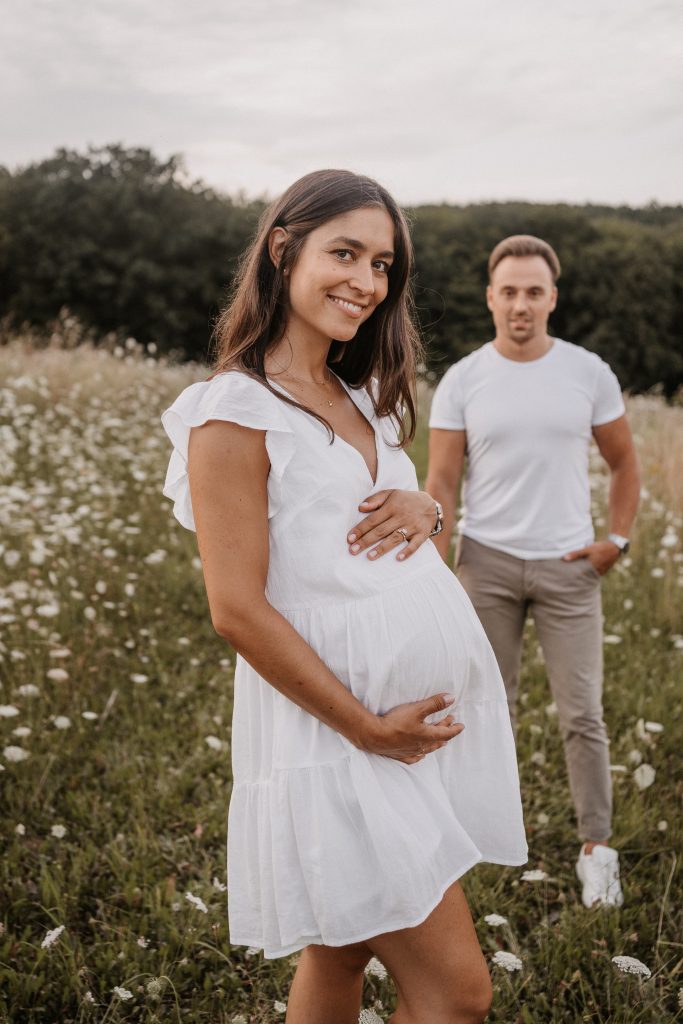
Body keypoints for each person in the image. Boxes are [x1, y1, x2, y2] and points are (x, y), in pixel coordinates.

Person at [161, 170, 527, 1024]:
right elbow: (237, 609)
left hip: (392, 735)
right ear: (283, 248)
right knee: (456, 994)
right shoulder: (232, 412)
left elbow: (384, 532)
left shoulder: (361, 393)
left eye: (382, 265)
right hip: (342, 737)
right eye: (345, 253)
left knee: (341, 952)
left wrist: (429, 508)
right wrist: (366, 729)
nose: (366, 282)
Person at [424, 235, 640, 909]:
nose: (521, 304)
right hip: (483, 564)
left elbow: (625, 464)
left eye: (534, 292)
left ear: (552, 298)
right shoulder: (462, 379)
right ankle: (465, 841)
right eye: (509, 292)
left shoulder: (587, 373)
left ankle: (595, 848)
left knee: (581, 714)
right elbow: (440, 480)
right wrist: (436, 567)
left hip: (569, 565)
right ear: (491, 298)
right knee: (484, 709)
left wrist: (616, 540)